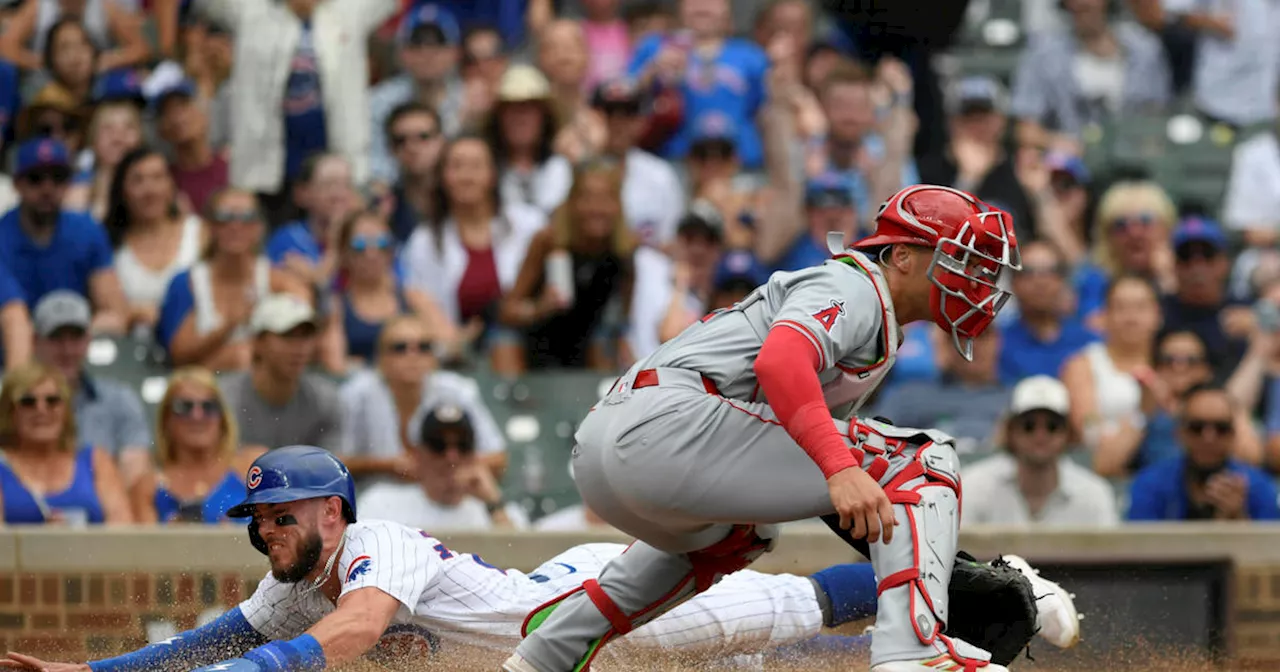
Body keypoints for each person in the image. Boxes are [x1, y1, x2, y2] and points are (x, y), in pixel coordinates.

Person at [503, 184, 1024, 672]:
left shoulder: (875, 318)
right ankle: (914, 653)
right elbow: (782, 363)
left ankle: (547, 653)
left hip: (631, 449)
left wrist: (936, 560)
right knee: (925, 457)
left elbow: (806, 452)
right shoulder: (854, 284)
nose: (976, 281)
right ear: (902, 256)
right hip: (665, 426)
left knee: (741, 533)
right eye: (960, 260)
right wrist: (842, 467)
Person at [0, 446, 1078, 672]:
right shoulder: (294, 583)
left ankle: (990, 580)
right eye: (255, 519)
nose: (261, 532)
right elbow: (214, 639)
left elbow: (358, 635)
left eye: (276, 516)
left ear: (327, 511)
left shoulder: (368, 548)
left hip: (598, 620)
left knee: (792, 607)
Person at [0, 138, 127, 334]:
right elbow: (12, 321)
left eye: (58, 178)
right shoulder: (3, 237)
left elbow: (114, 313)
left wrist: (69, 340)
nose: (47, 189)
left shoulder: (86, 230)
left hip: (75, 347)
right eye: (36, 178)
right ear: (17, 184)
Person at [962, 376, 1120, 526]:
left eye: (1052, 426)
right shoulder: (973, 487)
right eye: (1028, 426)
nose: (1040, 436)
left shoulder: (1094, 495)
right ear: (1011, 432)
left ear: (1068, 433)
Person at [31, 291, 151, 487]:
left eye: (75, 337)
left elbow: (135, 479)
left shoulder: (120, 400)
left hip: (105, 511)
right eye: (56, 338)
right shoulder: (10, 401)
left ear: (88, 340)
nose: (67, 349)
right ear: (35, 341)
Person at [357, 403, 527, 530]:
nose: (451, 456)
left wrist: (493, 502)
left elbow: (521, 570)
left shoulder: (499, 510)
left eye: (462, 445)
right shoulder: (380, 504)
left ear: (475, 454)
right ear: (418, 454)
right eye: (439, 445)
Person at [0, 361, 132, 525]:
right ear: (10, 412)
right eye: (28, 402)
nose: (41, 409)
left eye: (52, 400)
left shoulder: (95, 461)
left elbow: (122, 530)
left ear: (66, 410)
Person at [1127, 384, 1280, 521]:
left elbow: (1270, 549)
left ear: (1234, 434)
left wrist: (1239, 519)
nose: (1209, 438)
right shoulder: (1150, 485)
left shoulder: (1259, 487)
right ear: (1179, 433)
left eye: (1221, 428)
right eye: (1197, 427)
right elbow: (1138, 548)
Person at [129, 366, 260, 524]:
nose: (197, 416)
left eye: (209, 406)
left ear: (222, 419)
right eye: (184, 407)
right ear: (166, 420)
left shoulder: (252, 468)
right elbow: (142, 547)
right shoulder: (148, 488)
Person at [219, 294, 343, 455]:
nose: (300, 348)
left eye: (306, 336)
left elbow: (330, 467)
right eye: (288, 335)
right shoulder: (223, 399)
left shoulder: (326, 398)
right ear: (258, 342)